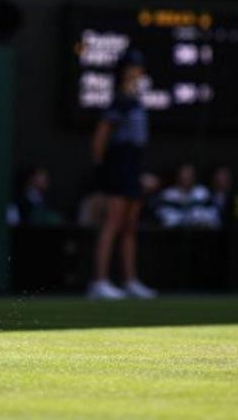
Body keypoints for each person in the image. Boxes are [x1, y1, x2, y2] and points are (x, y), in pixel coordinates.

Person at [87, 50, 158, 300]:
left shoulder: (136, 101)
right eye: (133, 68)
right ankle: (99, 282)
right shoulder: (118, 101)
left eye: (139, 68)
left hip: (133, 166)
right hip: (117, 166)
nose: (138, 72)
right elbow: (100, 139)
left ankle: (129, 281)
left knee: (129, 227)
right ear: (125, 71)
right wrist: (102, 171)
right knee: (112, 224)